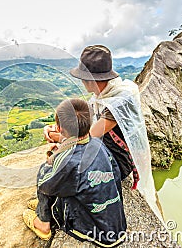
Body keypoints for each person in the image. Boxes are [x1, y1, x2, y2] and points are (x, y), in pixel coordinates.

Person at [44, 45, 160, 218]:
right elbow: (84, 120)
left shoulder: (118, 101)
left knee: (66, 167)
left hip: (118, 160)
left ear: (90, 80)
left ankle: (50, 209)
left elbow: (88, 135)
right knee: (62, 151)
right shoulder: (102, 95)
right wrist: (56, 127)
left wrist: (59, 137)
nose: (81, 82)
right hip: (104, 147)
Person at [23, 98, 127, 247]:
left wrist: (53, 160)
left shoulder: (69, 161)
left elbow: (45, 183)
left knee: (45, 175)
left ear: (59, 129)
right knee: (61, 177)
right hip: (115, 223)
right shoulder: (98, 143)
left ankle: (43, 223)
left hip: (95, 228)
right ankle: (44, 206)